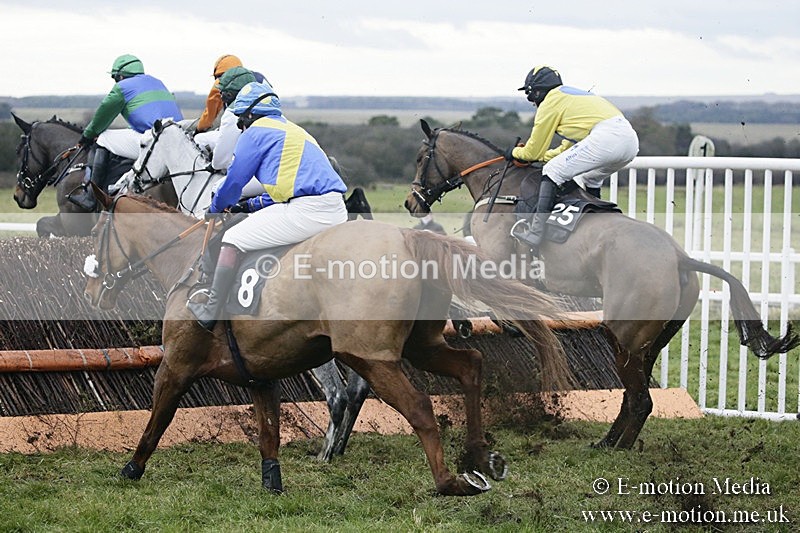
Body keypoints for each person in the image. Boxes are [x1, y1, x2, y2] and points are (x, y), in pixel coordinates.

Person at [187, 81, 348, 331]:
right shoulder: (295, 130)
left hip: (307, 212)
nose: (241, 126)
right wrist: (249, 206)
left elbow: (233, 183)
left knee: (233, 237)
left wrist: (216, 207)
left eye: (241, 120)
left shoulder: (254, 133)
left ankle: (211, 310)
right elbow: (288, 189)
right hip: (336, 209)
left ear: (250, 115)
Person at [506, 65, 639, 255]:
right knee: (589, 178)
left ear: (537, 92)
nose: (532, 102)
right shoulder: (569, 98)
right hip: (629, 142)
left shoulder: (550, 102)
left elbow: (533, 152)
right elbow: (566, 149)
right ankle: (596, 222)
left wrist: (513, 153)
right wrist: (542, 156)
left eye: (530, 96)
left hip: (607, 138)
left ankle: (535, 232)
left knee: (552, 171)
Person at [71, 54, 183, 210]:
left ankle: (90, 196)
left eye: (115, 78)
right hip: (178, 138)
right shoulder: (157, 82)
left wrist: (87, 136)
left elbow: (102, 117)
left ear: (120, 76)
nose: (115, 82)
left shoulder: (122, 87)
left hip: (155, 141)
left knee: (103, 137)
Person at [195, 54, 266, 134]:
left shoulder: (223, 81)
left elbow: (210, 114)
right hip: (268, 127)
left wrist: (198, 130)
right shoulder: (259, 78)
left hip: (241, 129)